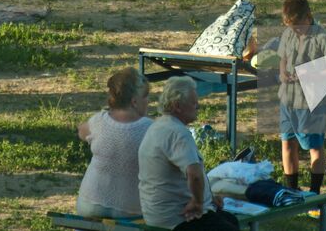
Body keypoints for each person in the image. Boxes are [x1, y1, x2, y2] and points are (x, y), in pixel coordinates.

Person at [138, 77, 236, 231]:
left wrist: (208, 199)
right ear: (177, 106)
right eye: (193, 103)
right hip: (179, 218)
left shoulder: (159, 126)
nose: (198, 106)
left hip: (158, 214)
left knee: (230, 220)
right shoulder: (178, 133)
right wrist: (198, 203)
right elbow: (194, 174)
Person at [75, 67, 153, 219]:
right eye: (146, 96)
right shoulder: (151, 129)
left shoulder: (99, 121)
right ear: (134, 101)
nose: (148, 101)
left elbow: (81, 132)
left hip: (90, 203)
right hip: (130, 210)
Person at [278, 0, 326, 194]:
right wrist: (282, 72)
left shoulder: (323, 39)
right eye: (290, 26)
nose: (294, 30)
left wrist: (312, 75)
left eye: (298, 26)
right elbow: (283, 57)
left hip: (311, 101)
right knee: (287, 143)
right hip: (287, 99)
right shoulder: (288, 34)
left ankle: (314, 191)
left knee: (314, 146)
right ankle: (291, 189)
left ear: (309, 17)